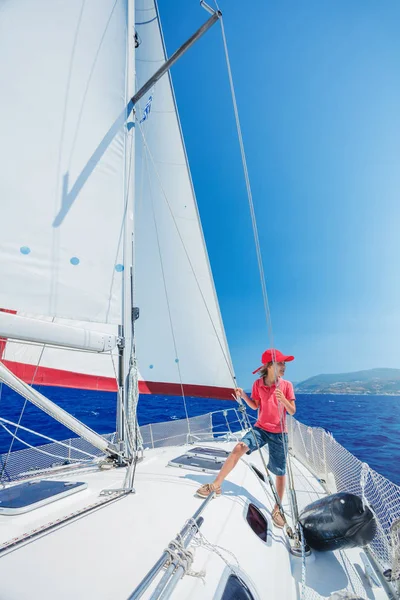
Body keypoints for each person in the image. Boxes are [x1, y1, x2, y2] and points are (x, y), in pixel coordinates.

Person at [195, 349, 296, 528]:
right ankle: (216, 485)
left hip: (279, 434)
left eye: (284, 363)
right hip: (260, 429)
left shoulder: (286, 385)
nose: (284, 366)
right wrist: (243, 396)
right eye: (280, 363)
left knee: (279, 472)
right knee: (238, 448)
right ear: (269, 366)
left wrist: (284, 401)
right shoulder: (258, 384)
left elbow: (292, 411)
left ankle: (278, 508)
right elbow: (255, 406)